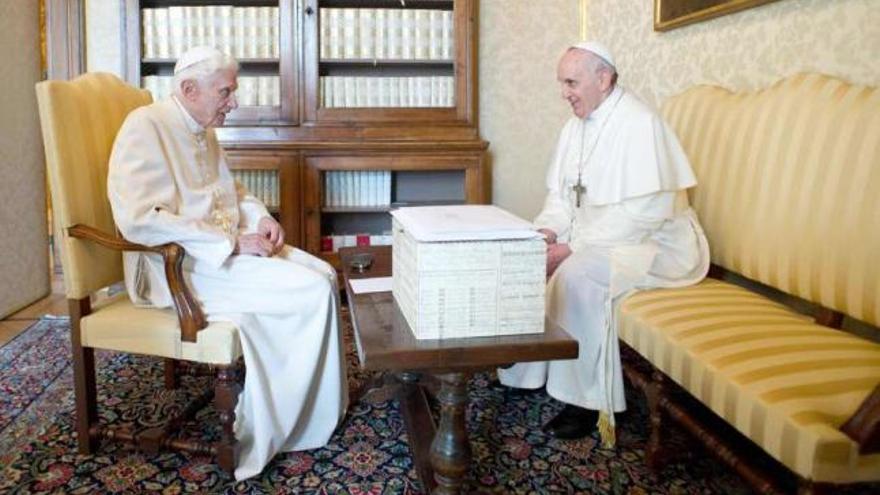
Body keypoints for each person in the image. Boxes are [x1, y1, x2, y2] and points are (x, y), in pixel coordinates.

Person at [107, 46, 348, 480]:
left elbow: (231, 191)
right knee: (309, 290)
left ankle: (316, 409)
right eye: (226, 92)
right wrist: (232, 242)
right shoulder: (145, 126)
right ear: (188, 88)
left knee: (325, 274)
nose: (233, 102)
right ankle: (283, 426)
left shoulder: (200, 126)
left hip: (216, 252)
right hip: (174, 267)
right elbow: (139, 220)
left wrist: (262, 218)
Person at [497, 41, 709, 447]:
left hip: (655, 244)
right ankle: (529, 371)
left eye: (571, 81)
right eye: (562, 82)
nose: (564, 92)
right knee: (530, 254)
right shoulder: (574, 127)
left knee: (577, 274)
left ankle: (584, 400)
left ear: (604, 79)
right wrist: (548, 234)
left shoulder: (639, 123)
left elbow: (644, 214)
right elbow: (561, 199)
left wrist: (574, 248)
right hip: (602, 237)